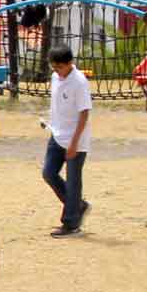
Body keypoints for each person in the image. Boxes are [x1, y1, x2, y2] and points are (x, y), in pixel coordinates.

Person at [42, 44, 92, 238]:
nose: (57, 72)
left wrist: (74, 143)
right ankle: (77, 205)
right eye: (54, 68)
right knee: (48, 173)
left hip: (75, 139)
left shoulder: (79, 82)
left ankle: (71, 224)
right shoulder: (55, 77)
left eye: (60, 67)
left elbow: (84, 113)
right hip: (57, 134)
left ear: (70, 63)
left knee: (73, 182)